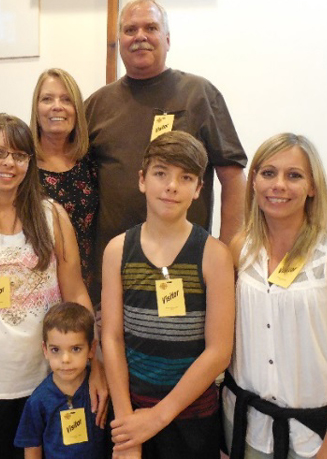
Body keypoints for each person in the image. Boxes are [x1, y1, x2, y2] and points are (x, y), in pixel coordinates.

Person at [0, 113, 107, 459]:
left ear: (30, 162)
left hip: (46, 378)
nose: (8, 163)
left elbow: (75, 293)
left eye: (18, 155)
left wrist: (96, 363)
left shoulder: (52, 217)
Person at [85, 0, 248, 306]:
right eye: (130, 29)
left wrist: (227, 253)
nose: (140, 36)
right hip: (115, 269)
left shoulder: (199, 95)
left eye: (151, 28)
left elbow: (233, 177)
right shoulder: (96, 106)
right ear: (119, 41)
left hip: (187, 267)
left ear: (168, 39)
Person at [222, 133, 327, 459]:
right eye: (268, 173)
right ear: (254, 182)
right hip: (249, 426)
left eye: (294, 175)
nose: (279, 185)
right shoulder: (240, 248)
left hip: (314, 436)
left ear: (312, 186)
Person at [101, 131, 235, 459]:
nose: (172, 186)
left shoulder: (214, 255)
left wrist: (158, 417)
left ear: (199, 188)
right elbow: (112, 337)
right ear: (142, 180)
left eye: (185, 177)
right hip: (130, 415)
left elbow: (219, 351)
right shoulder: (118, 251)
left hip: (193, 418)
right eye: (161, 173)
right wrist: (127, 427)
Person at [30, 68, 98, 288]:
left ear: (77, 109)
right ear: (36, 109)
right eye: (47, 99)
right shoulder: (21, 164)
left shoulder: (91, 160)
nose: (57, 106)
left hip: (85, 285)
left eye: (66, 99)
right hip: (35, 287)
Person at [14, 302, 106, 459]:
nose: (65, 359)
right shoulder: (38, 400)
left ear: (91, 349)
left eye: (75, 349)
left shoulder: (100, 391)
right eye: (55, 350)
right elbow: (32, 446)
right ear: (45, 350)